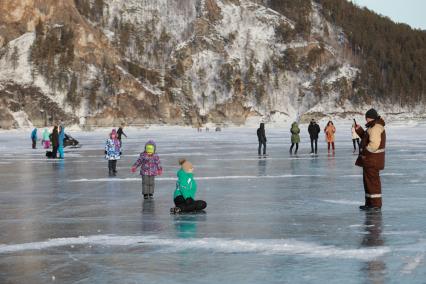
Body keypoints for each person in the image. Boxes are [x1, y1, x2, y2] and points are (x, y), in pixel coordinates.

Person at [355, 109, 386, 211]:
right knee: (368, 182)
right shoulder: (373, 126)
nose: (366, 119)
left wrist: (365, 152)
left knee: (373, 182)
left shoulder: (376, 127)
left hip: (373, 160)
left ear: (369, 117)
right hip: (371, 160)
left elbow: (374, 144)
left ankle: (376, 204)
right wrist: (359, 130)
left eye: (366, 117)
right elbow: (366, 138)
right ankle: (369, 203)